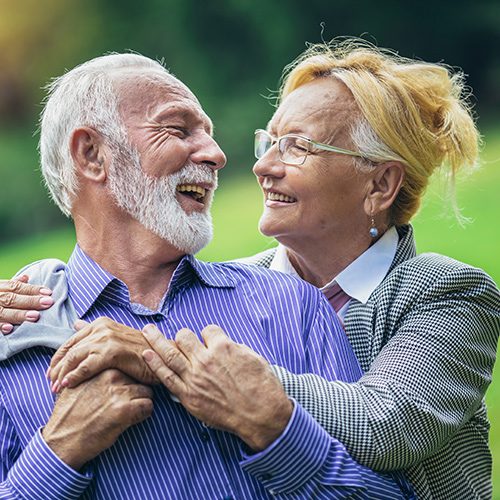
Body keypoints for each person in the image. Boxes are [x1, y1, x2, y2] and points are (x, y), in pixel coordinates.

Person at [2, 39, 500, 499]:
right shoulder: (252, 283)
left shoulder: (439, 293)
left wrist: (167, 361)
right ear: (90, 154)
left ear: (379, 185)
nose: (247, 164)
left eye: (299, 146)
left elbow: (382, 425)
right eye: (271, 142)